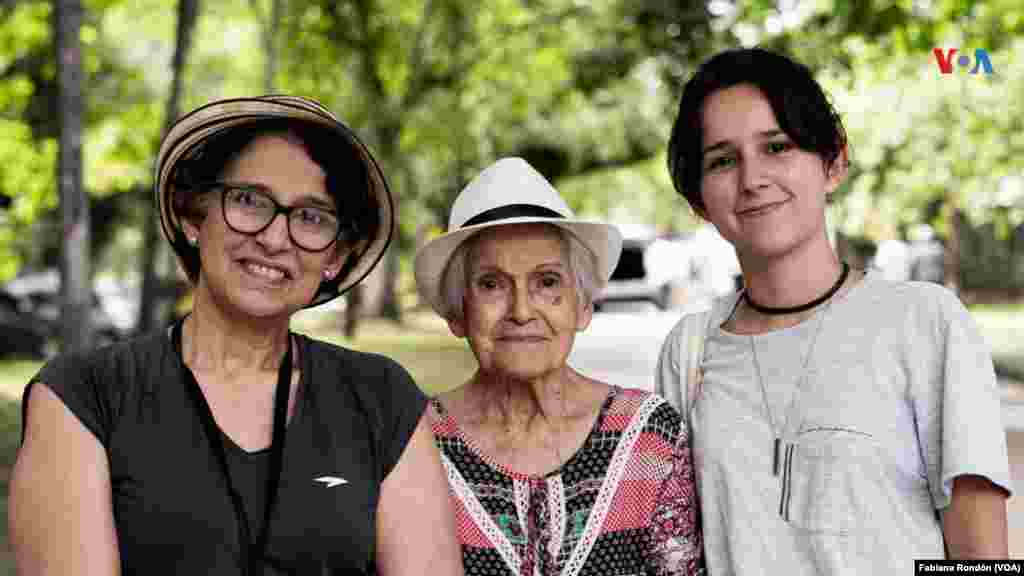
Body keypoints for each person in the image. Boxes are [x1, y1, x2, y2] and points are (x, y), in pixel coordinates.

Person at [9, 95, 463, 575]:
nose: (274, 237)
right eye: (249, 200)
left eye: (311, 216)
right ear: (193, 216)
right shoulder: (86, 396)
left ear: (336, 256)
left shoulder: (381, 399)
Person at [655, 47, 1012, 573]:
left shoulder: (924, 322)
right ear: (698, 201)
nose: (752, 178)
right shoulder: (689, 350)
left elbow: (981, 556)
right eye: (722, 160)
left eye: (777, 147)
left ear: (834, 162)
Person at [414, 157, 705, 575]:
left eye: (547, 282)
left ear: (583, 306)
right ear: (457, 314)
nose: (521, 310)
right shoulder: (414, 440)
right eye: (491, 284)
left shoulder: (648, 433)